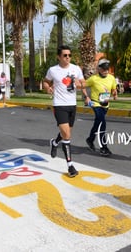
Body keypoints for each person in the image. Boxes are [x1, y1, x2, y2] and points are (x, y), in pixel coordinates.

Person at [44, 45, 87, 178]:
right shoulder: (53, 70)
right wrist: (48, 88)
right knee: (67, 135)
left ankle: (55, 142)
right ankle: (70, 166)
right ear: (59, 57)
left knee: (66, 133)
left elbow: (83, 83)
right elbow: (46, 82)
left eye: (69, 55)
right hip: (59, 105)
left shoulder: (76, 69)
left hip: (72, 105)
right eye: (65, 55)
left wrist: (83, 91)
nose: (68, 57)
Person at [84, 58, 118, 156]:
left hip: (105, 104)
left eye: (107, 69)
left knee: (97, 123)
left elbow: (113, 88)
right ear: (99, 69)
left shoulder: (111, 78)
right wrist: (86, 97)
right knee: (102, 123)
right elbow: (82, 85)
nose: (106, 71)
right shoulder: (93, 78)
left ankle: (90, 139)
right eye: (103, 69)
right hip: (95, 103)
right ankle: (104, 147)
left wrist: (115, 93)